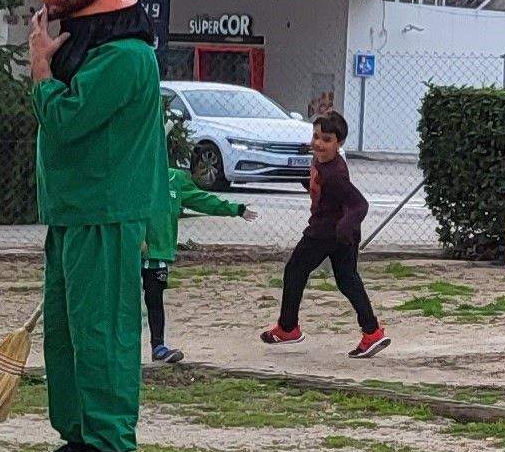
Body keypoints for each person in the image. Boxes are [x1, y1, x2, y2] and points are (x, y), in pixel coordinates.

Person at [10, 0, 169, 452]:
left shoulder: (125, 55)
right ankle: (77, 436)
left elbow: (69, 119)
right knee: (68, 331)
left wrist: (42, 71)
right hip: (74, 211)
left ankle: (111, 446)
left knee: (101, 329)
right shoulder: (93, 46)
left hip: (105, 211)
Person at [260, 111, 387, 357]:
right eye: (316, 136)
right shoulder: (322, 162)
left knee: (295, 270)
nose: (318, 143)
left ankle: (288, 328)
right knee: (347, 280)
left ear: (339, 143)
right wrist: (307, 183)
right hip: (342, 234)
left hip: (327, 232)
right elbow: (322, 188)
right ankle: (372, 332)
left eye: (326, 139)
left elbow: (360, 204)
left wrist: (344, 226)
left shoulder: (335, 173)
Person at [143, 159, 248, 366]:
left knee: (154, 299)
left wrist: (235, 209)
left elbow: (201, 200)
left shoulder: (174, 178)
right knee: (123, 302)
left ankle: (158, 347)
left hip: (158, 253)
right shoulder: (128, 172)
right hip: (127, 251)